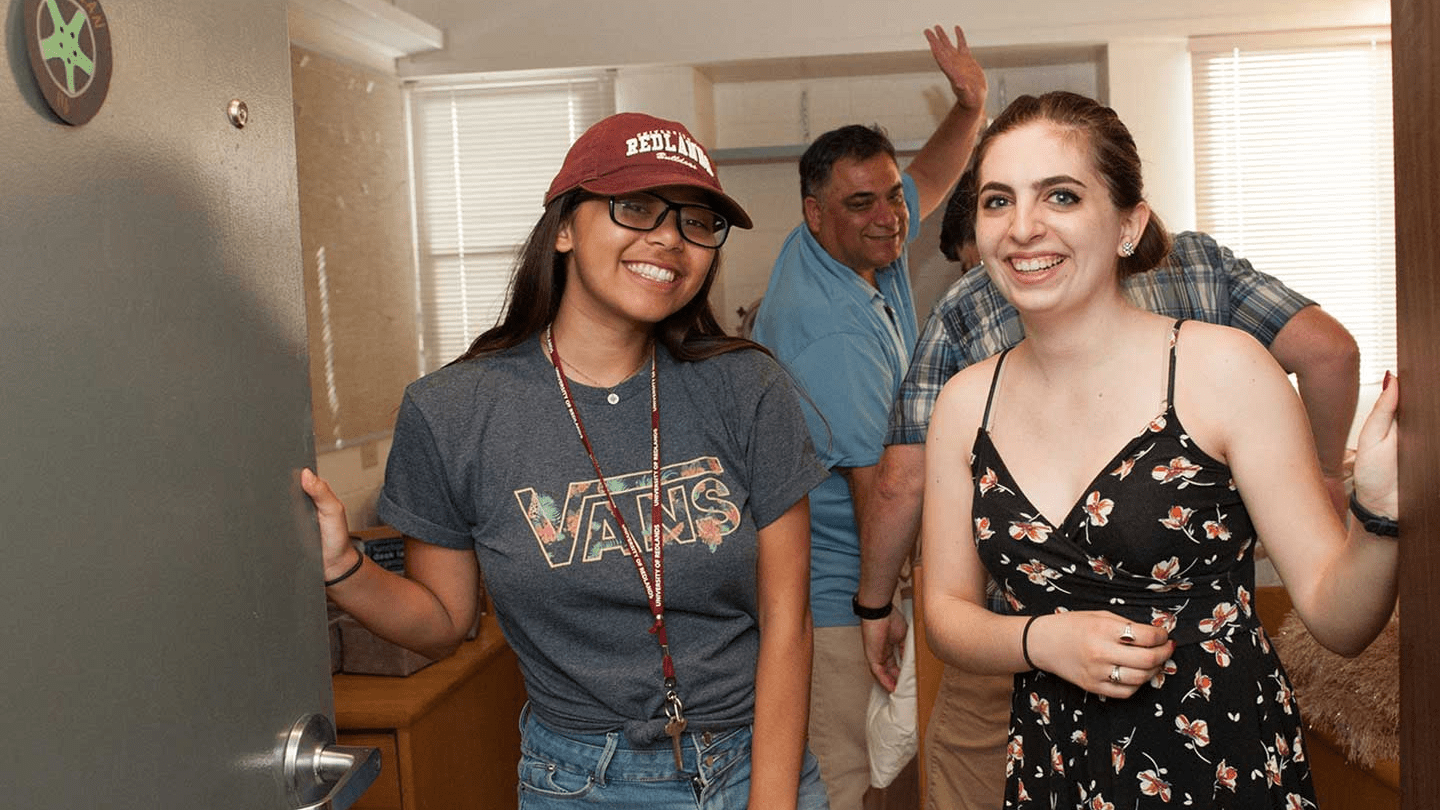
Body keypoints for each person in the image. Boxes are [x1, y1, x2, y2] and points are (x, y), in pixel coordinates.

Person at [302, 112, 832, 810]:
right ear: (562, 228)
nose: (670, 237)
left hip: (753, 763)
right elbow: (442, 621)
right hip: (579, 784)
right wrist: (342, 566)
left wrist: (771, 802)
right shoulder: (454, 411)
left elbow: (787, 616)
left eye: (698, 221)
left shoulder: (743, 386)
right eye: (635, 207)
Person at [920, 90, 1398, 808]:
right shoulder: (965, 404)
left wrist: (1382, 515)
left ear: (1127, 225)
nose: (1022, 228)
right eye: (997, 201)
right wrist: (1040, 641)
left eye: (1061, 195)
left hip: (1217, 762)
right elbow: (948, 612)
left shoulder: (1224, 370)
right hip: (1056, 766)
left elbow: (1338, 616)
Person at [749, 24, 987, 810]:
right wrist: (880, 606)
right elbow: (876, 486)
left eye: (891, 196)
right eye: (865, 204)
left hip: (862, 579)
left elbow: (931, 174)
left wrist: (970, 105)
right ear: (816, 214)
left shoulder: (852, 245)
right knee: (843, 778)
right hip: (838, 593)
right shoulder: (830, 332)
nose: (892, 216)